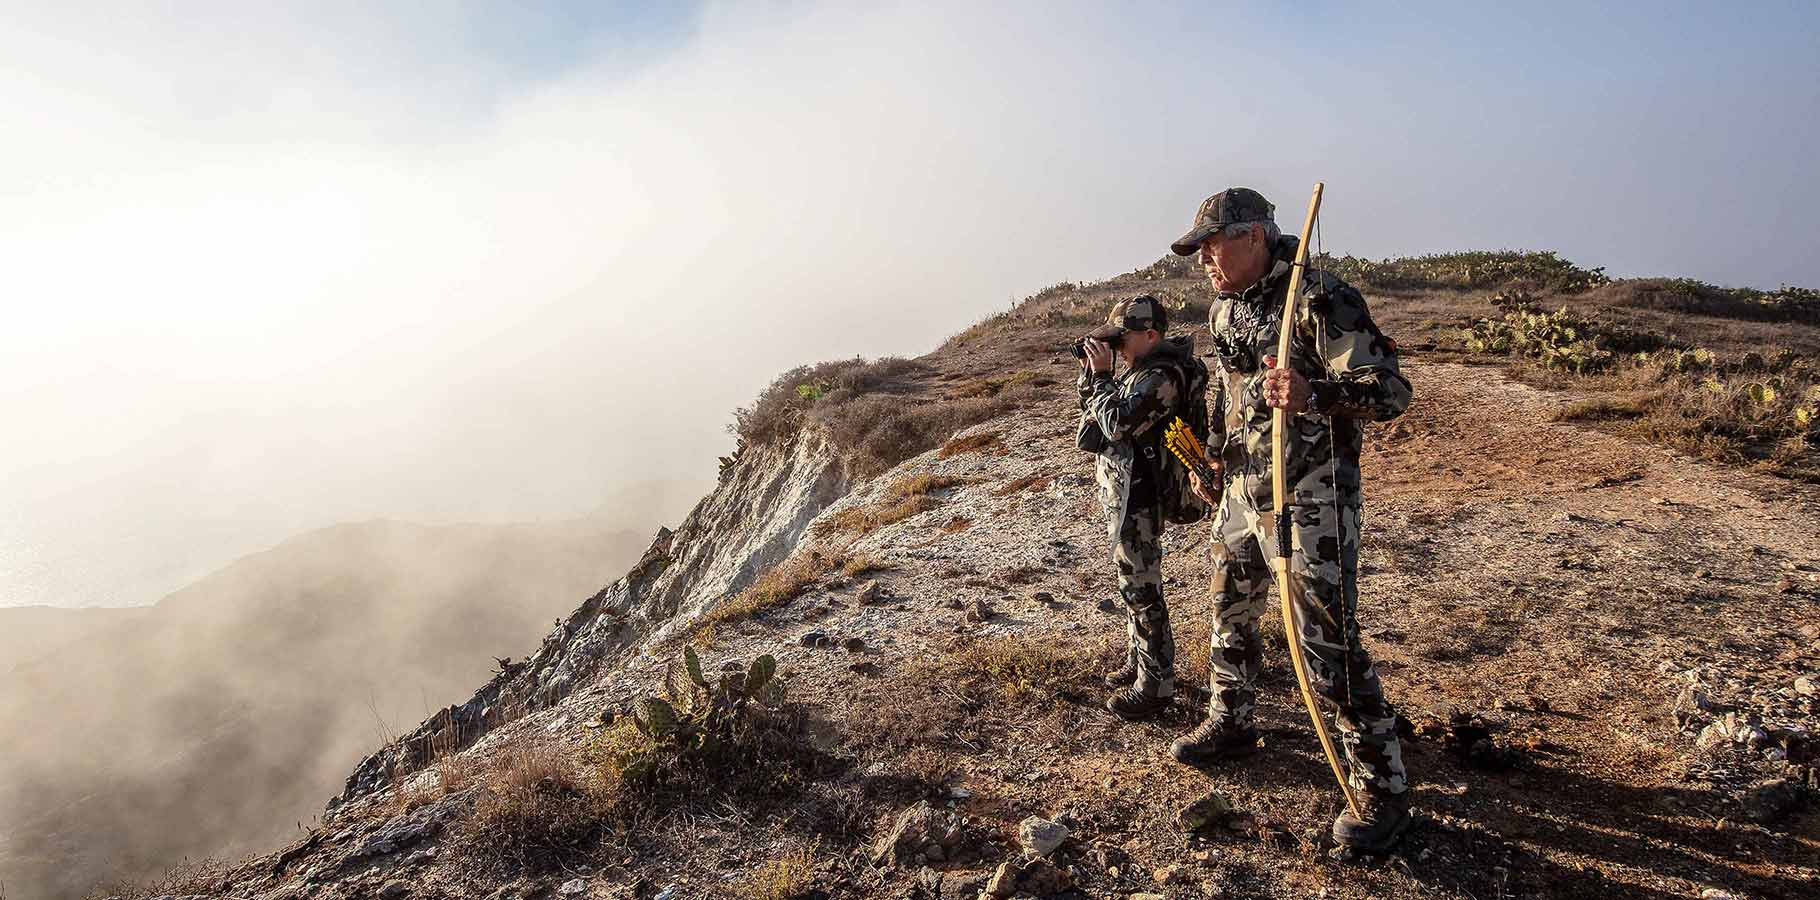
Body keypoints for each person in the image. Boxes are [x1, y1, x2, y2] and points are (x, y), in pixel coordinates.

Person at [1164, 187, 1416, 851]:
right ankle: (1233, 720)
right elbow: (1227, 393)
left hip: (1313, 492)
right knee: (1229, 609)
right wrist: (1212, 461)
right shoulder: (1224, 307)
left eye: (1212, 245)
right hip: (1243, 491)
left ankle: (1381, 789)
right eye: (1198, 251)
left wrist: (1314, 394)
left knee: (1323, 641)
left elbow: (1391, 391)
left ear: (1253, 236)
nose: (1204, 261)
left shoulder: (1319, 296)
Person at [1075, 296, 1206, 720]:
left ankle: (1155, 684)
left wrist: (1100, 377)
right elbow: (1096, 414)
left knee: (1141, 588)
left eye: (1122, 338)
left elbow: (1117, 424)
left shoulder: (1162, 378)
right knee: (1131, 584)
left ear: (1151, 335)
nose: (1117, 347)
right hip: (1127, 492)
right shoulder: (1138, 372)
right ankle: (1139, 662)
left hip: (1144, 496)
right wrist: (1091, 377)